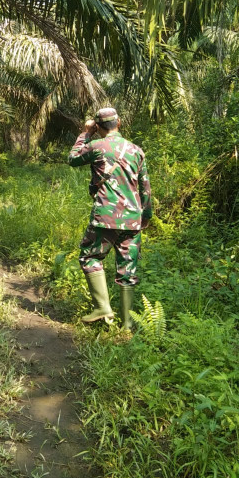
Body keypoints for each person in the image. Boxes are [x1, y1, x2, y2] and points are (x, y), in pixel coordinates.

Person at [66, 107, 153, 329]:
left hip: (105, 217)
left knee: (90, 256)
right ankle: (126, 325)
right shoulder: (136, 150)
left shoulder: (96, 146)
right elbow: (145, 188)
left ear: (98, 126)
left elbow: (73, 158)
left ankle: (103, 308)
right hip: (133, 219)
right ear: (119, 123)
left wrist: (86, 133)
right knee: (128, 270)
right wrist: (146, 215)